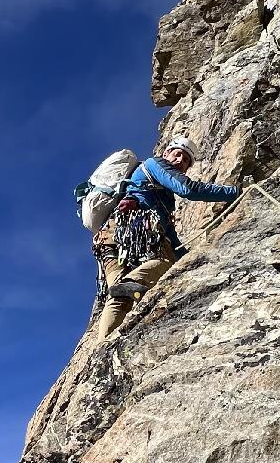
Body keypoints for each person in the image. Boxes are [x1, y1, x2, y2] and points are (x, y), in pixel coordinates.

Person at [93, 136, 238, 340]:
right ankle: (130, 283)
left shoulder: (161, 197)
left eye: (186, 160)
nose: (181, 161)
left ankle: (102, 348)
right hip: (133, 229)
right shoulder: (154, 164)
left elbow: (171, 240)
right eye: (177, 154)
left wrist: (189, 260)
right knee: (164, 262)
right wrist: (235, 193)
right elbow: (189, 189)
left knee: (119, 297)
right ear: (166, 154)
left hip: (109, 239)